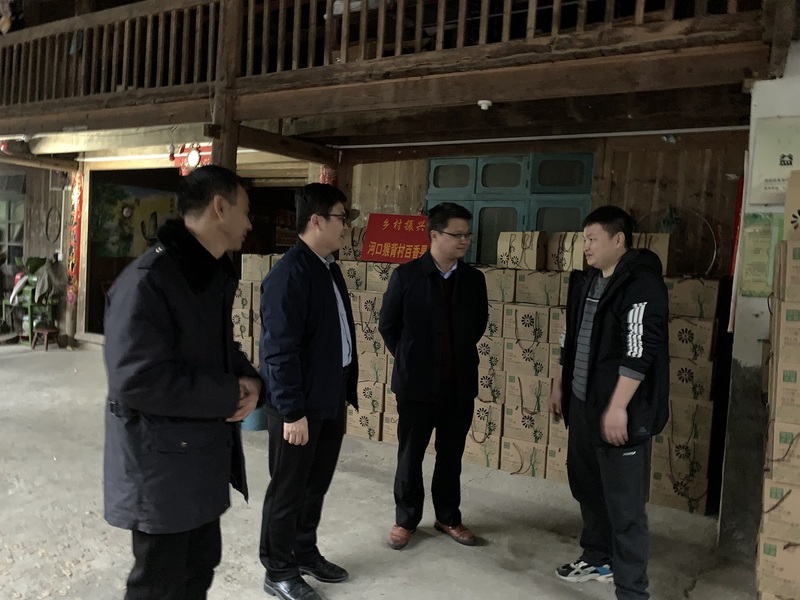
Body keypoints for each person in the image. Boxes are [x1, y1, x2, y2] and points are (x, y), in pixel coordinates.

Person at [103, 165, 262, 599]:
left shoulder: (206, 274)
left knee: (198, 570)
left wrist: (250, 378)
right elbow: (137, 379)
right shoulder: (149, 280)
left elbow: (214, 348)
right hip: (161, 465)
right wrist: (228, 393)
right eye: (245, 211)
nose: (249, 223)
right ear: (219, 207)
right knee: (160, 584)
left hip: (198, 457)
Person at [549, 205, 669, 600]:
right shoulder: (587, 281)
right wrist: (559, 384)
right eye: (583, 239)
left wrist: (618, 407)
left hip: (621, 412)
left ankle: (631, 590)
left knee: (625, 508)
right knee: (587, 487)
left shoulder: (641, 284)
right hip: (583, 405)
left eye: (592, 239)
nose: (585, 246)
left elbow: (639, 348)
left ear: (619, 240)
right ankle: (597, 557)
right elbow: (570, 335)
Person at [258, 183, 358, 600]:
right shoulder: (290, 274)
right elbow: (278, 351)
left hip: (328, 396)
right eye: (341, 218)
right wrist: (292, 411)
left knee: (315, 484)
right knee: (288, 489)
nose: (346, 227)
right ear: (316, 220)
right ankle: (278, 569)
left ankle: (304, 551)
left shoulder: (328, 267)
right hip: (298, 405)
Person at [379, 202, 488, 551]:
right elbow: (388, 325)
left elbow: (478, 325)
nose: (464, 241)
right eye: (457, 234)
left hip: (459, 383)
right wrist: (411, 357)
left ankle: (448, 517)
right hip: (416, 385)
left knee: (451, 455)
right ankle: (405, 519)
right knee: (410, 455)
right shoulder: (407, 276)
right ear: (435, 235)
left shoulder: (473, 280)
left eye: (468, 235)